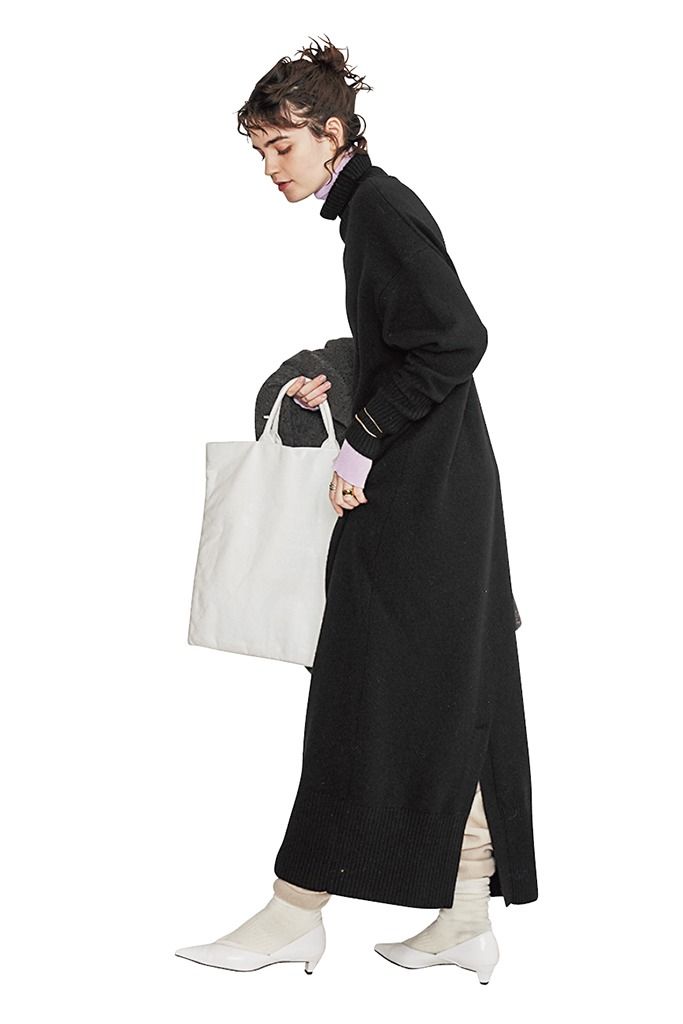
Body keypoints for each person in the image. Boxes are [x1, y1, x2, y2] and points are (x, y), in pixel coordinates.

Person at [175, 35, 538, 983]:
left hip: (423, 504)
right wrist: (335, 377)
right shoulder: (368, 212)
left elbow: (455, 339)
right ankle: (465, 920)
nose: (270, 167)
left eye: (281, 146)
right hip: (439, 497)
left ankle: (293, 911)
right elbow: (404, 338)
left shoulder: (377, 208)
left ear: (331, 134)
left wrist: (364, 434)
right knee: (453, 698)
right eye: (260, 150)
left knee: (359, 696)